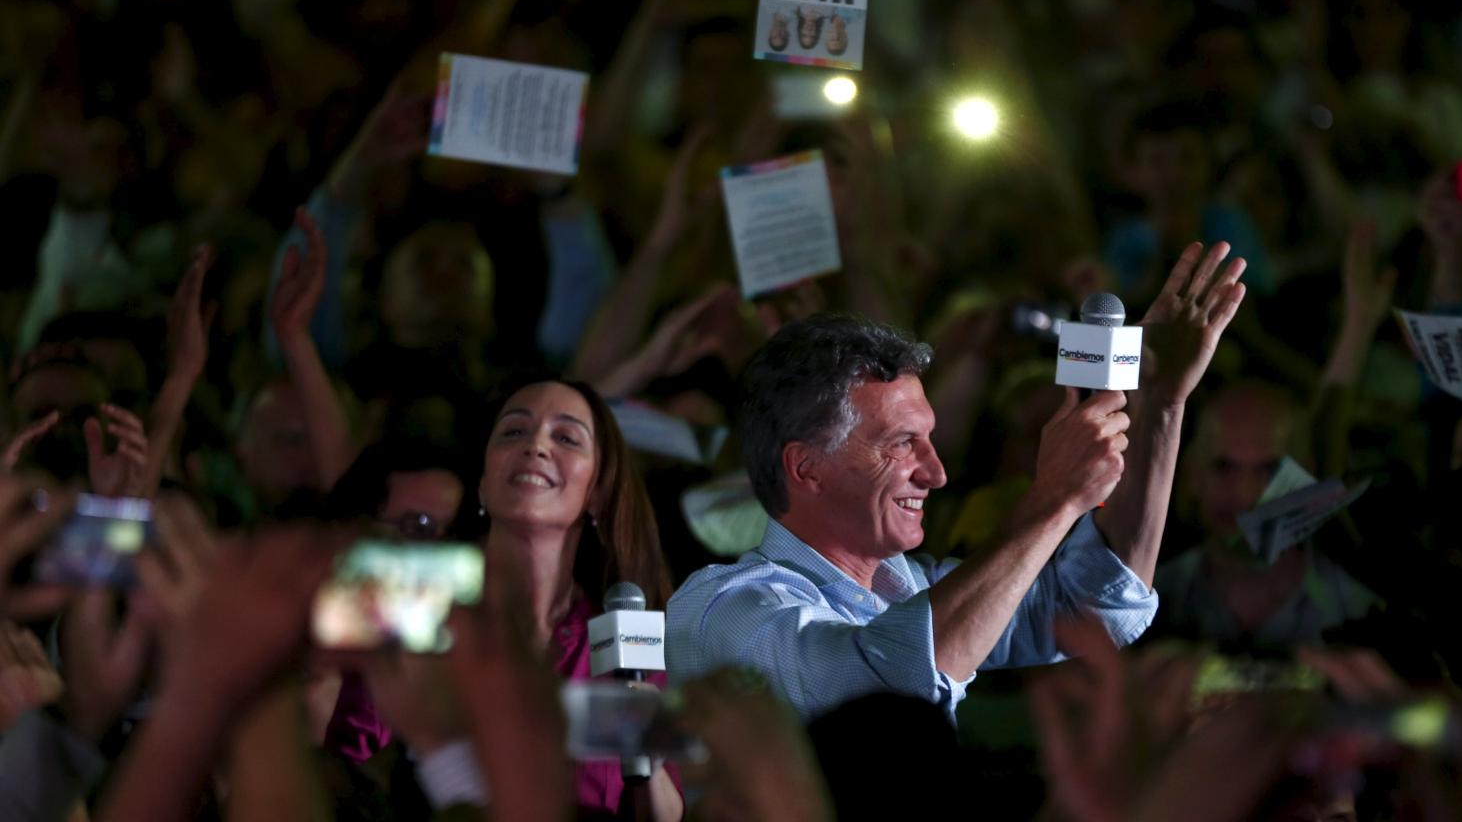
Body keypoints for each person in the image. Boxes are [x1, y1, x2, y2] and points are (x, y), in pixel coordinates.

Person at [668, 243, 1247, 718]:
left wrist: (1163, 404)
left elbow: (1101, 602)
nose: (936, 472)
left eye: (929, 439)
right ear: (805, 467)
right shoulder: (725, 609)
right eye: (901, 444)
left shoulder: (910, 590)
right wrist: (1050, 499)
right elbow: (887, 685)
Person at [323, 374, 682, 820]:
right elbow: (346, 781)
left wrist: (645, 751)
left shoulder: (624, 640)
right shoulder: (415, 606)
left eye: (567, 437)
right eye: (514, 431)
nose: (536, 446)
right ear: (482, 483)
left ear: (597, 494)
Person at [1152, 381, 1381, 649]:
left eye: (1269, 470)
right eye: (1224, 467)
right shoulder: (1142, 607)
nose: (1246, 495)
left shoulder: (1363, 612)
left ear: (1305, 477)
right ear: (1192, 476)